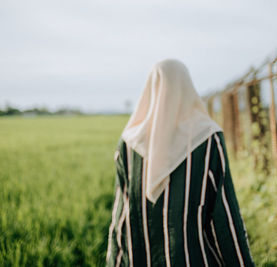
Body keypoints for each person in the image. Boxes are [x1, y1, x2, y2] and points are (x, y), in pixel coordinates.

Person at [106, 59, 254, 267]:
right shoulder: (208, 138)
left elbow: (120, 219)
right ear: (187, 88)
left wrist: (114, 262)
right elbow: (224, 217)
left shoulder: (129, 144)